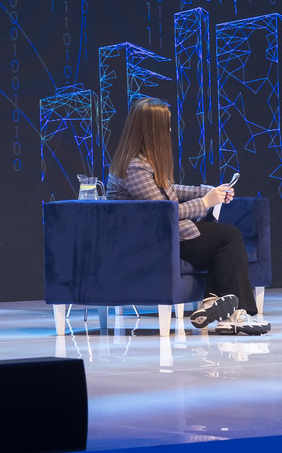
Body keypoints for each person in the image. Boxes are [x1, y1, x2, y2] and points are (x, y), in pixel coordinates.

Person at [105, 96, 269, 335]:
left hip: (164, 236)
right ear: (152, 130)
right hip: (155, 241)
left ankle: (216, 306)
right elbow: (164, 213)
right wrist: (205, 202)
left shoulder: (143, 162)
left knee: (221, 241)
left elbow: (169, 189)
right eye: (166, 125)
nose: (170, 131)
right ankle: (235, 313)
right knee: (228, 237)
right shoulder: (135, 167)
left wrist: (207, 191)